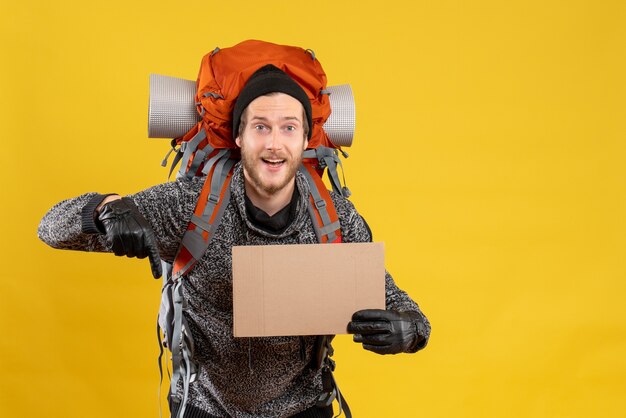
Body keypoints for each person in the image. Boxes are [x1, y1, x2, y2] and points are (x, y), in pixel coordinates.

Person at [38, 63, 430, 418]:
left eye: (289, 127)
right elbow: (50, 228)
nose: (274, 144)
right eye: (261, 126)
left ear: (306, 138)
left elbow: (390, 296)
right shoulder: (191, 207)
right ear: (239, 136)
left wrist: (412, 329)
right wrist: (105, 209)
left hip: (305, 405)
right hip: (205, 405)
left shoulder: (334, 220)